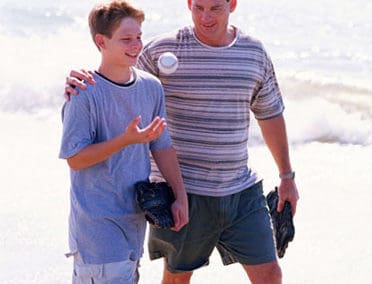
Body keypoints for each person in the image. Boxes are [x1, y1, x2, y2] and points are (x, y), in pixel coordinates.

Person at [64, 0, 299, 283]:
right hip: (185, 190)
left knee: (270, 274)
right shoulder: (162, 49)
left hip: (240, 190)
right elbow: (115, 69)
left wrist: (287, 177)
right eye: (198, 7)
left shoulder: (254, 52)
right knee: (176, 279)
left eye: (215, 8)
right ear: (188, 4)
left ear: (232, 4)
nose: (206, 16)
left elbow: (270, 115)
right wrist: (77, 79)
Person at [59, 1, 188, 283]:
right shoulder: (84, 93)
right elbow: (75, 159)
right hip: (96, 231)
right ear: (101, 41)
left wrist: (181, 196)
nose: (136, 45)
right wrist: (125, 140)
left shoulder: (151, 86)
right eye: (126, 39)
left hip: (134, 224)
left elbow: (162, 145)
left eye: (139, 37)